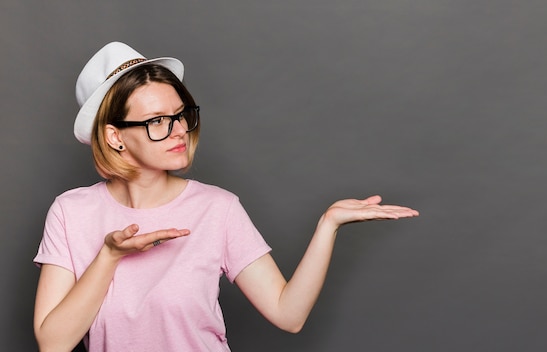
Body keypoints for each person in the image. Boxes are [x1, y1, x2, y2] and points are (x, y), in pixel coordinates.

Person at [33, 41, 419, 352]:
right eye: (156, 122)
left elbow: (289, 315)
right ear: (115, 136)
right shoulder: (71, 212)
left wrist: (328, 225)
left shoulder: (217, 208)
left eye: (181, 115)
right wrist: (110, 256)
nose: (178, 130)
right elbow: (54, 344)